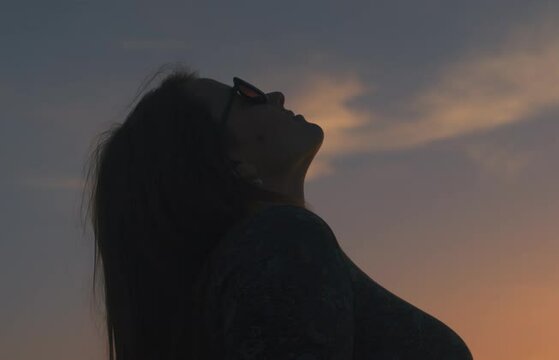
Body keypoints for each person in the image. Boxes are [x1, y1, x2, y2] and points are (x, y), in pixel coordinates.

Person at [83, 64, 473, 360]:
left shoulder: (259, 256)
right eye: (246, 95)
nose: (276, 95)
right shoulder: (281, 241)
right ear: (221, 159)